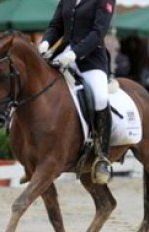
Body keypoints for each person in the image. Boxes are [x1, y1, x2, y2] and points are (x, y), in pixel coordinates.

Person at [38, 0, 115, 184]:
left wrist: (75, 53)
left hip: (90, 60)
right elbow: (56, 25)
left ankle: (101, 155)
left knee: (100, 98)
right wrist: (45, 42)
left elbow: (98, 32)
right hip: (62, 55)